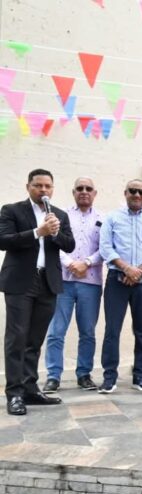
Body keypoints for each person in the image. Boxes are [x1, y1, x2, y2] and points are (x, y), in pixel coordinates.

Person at [0, 169, 75, 415]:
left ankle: (30, 389)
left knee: (34, 339)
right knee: (17, 338)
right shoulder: (12, 210)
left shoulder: (59, 215)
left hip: (48, 281)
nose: (43, 190)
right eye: (38, 185)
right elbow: (4, 240)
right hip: (21, 281)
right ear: (28, 187)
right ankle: (14, 394)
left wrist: (55, 233)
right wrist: (36, 233)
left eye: (48, 186)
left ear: (52, 189)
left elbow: (70, 245)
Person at [98, 180, 142, 394]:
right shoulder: (112, 218)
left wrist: (140, 269)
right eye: (133, 191)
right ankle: (109, 378)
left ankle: (141, 377)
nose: (137, 194)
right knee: (112, 331)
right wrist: (126, 268)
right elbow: (105, 247)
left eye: (141, 192)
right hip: (117, 280)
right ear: (125, 193)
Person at [43, 177, 103, 393]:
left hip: (91, 282)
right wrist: (70, 264)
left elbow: (105, 247)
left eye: (89, 188)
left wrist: (86, 263)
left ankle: (84, 374)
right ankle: (53, 376)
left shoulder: (103, 219)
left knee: (87, 332)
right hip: (64, 282)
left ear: (95, 193)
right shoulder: (60, 216)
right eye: (80, 188)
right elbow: (54, 244)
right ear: (73, 192)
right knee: (56, 331)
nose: (84, 191)